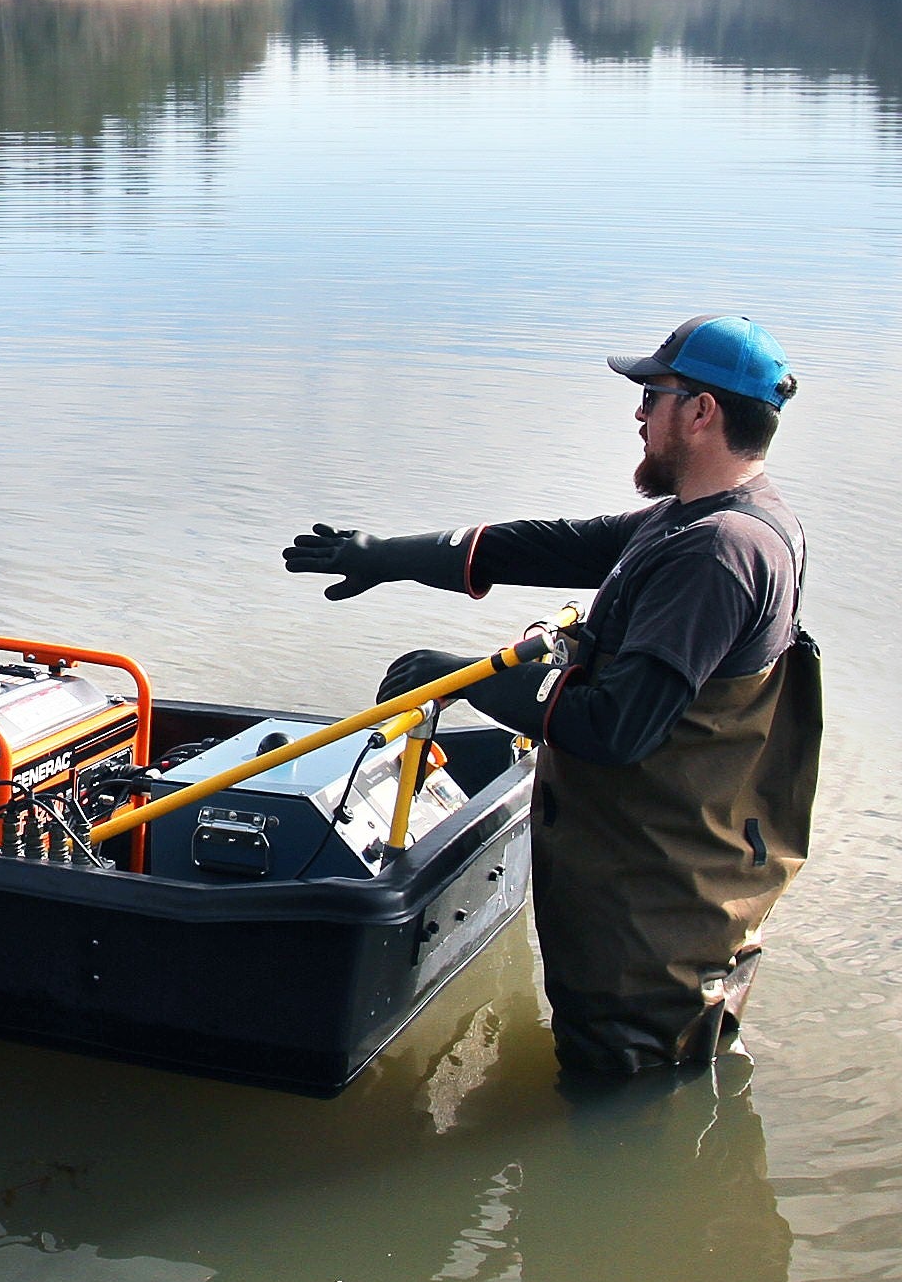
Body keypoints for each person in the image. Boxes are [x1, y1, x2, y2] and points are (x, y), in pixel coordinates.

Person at [282, 315, 822, 1076]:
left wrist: (467, 675)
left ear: (702, 412)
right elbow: (549, 543)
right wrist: (385, 555)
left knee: (624, 1096)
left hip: (654, 921)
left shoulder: (721, 553)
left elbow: (616, 726)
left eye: (653, 394)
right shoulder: (699, 522)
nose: (638, 413)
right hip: (653, 883)